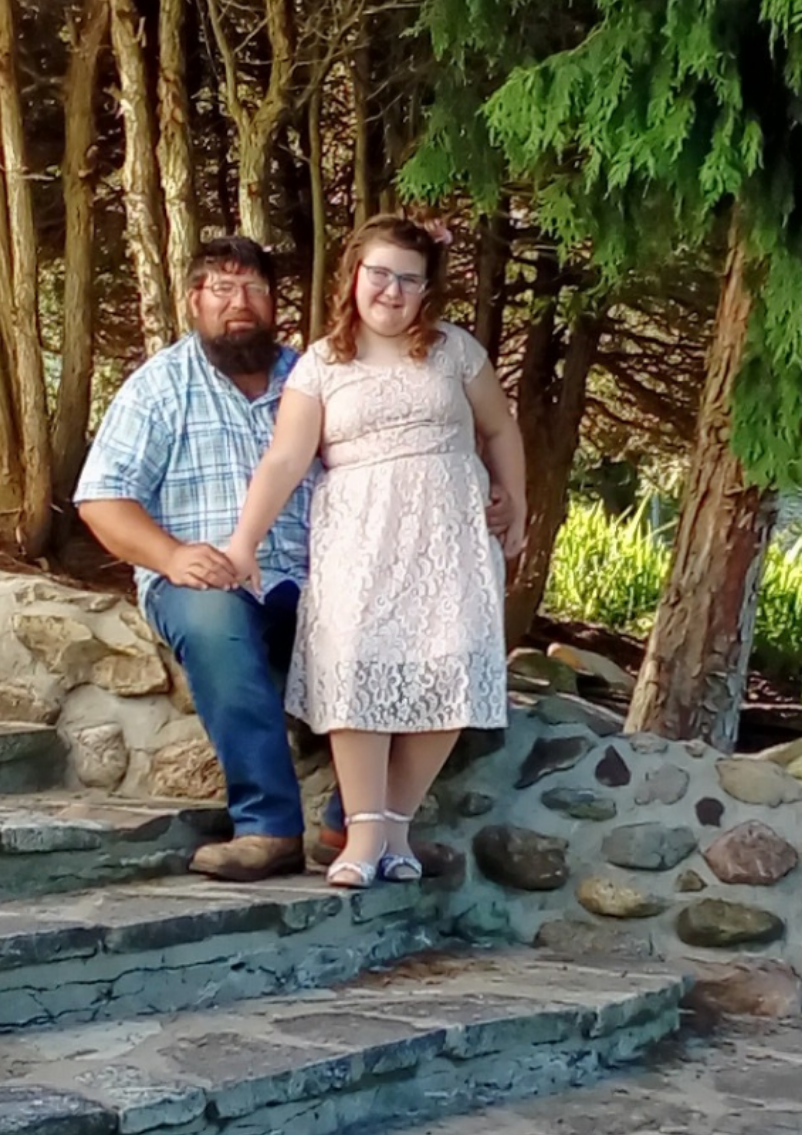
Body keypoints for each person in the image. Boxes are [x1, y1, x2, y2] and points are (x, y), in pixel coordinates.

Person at [76, 233, 518, 882]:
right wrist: (171, 556)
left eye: (254, 288)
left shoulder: (313, 366)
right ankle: (269, 826)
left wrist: (500, 494)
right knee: (217, 629)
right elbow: (100, 499)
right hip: (211, 576)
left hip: (323, 575)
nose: (240, 303)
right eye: (222, 289)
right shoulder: (159, 387)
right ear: (193, 299)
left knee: (405, 636)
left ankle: (358, 826)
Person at [223, 214, 526, 888]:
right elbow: (285, 460)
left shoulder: (455, 351)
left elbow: (500, 428)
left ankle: (394, 828)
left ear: (426, 290)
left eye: (409, 280)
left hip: (449, 536)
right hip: (361, 537)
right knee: (356, 669)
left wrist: (517, 498)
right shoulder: (321, 365)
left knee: (450, 669)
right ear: (354, 276)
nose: (392, 291)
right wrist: (244, 543)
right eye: (380, 274)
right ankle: (362, 834)